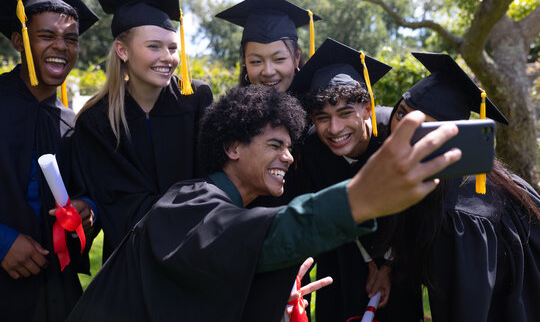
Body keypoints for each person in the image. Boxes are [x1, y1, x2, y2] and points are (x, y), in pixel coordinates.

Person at [67, 85, 461, 322]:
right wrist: (357, 200)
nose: (288, 158)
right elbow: (271, 235)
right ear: (232, 147)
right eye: (275, 145)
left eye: (290, 148)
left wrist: (262, 296)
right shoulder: (185, 203)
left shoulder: (225, 210)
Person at [388, 52, 540, 321]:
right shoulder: (469, 173)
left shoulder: (460, 212)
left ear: (449, 136)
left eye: (425, 128)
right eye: (401, 114)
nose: (404, 131)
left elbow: (465, 308)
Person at [72, 0, 213, 260]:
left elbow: (213, 176)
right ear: (122, 50)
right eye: (153, 46)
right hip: (130, 258)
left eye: (172, 48)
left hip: (194, 250)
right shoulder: (97, 121)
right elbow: (109, 201)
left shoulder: (195, 99)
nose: (167, 58)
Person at [294, 38, 424, 321]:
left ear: (367, 109)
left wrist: (387, 265)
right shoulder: (314, 148)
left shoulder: (395, 134)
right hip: (345, 250)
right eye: (323, 118)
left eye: (344, 113)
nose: (335, 129)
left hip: (403, 250)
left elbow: (415, 212)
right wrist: (368, 261)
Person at [0, 0, 99, 321]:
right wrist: (3, 241)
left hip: (55, 292)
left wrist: (88, 210)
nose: (61, 47)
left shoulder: (75, 124)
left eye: (71, 39)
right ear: (18, 40)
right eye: (46, 36)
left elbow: (90, 192)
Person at [215, 0, 321, 92]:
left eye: (279, 59)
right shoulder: (231, 110)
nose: (268, 72)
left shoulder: (319, 109)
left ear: (297, 56)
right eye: (256, 61)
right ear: (245, 62)